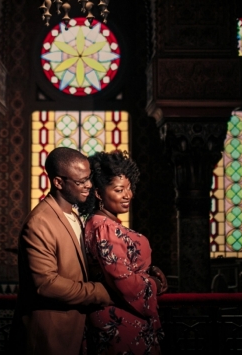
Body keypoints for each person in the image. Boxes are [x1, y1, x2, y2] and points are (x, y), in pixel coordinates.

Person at [9, 147, 114, 355]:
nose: (89, 185)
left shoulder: (73, 215)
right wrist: (100, 292)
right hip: (50, 338)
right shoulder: (40, 223)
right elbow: (47, 285)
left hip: (76, 333)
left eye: (89, 178)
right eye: (80, 181)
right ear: (58, 182)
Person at [79, 150, 168, 355]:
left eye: (129, 188)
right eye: (119, 190)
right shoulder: (104, 228)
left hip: (122, 321)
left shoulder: (105, 224)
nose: (128, 195)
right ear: (99, 193)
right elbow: (125, 283)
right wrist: (153, 283)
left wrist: (149, 270)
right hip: (121, 325)